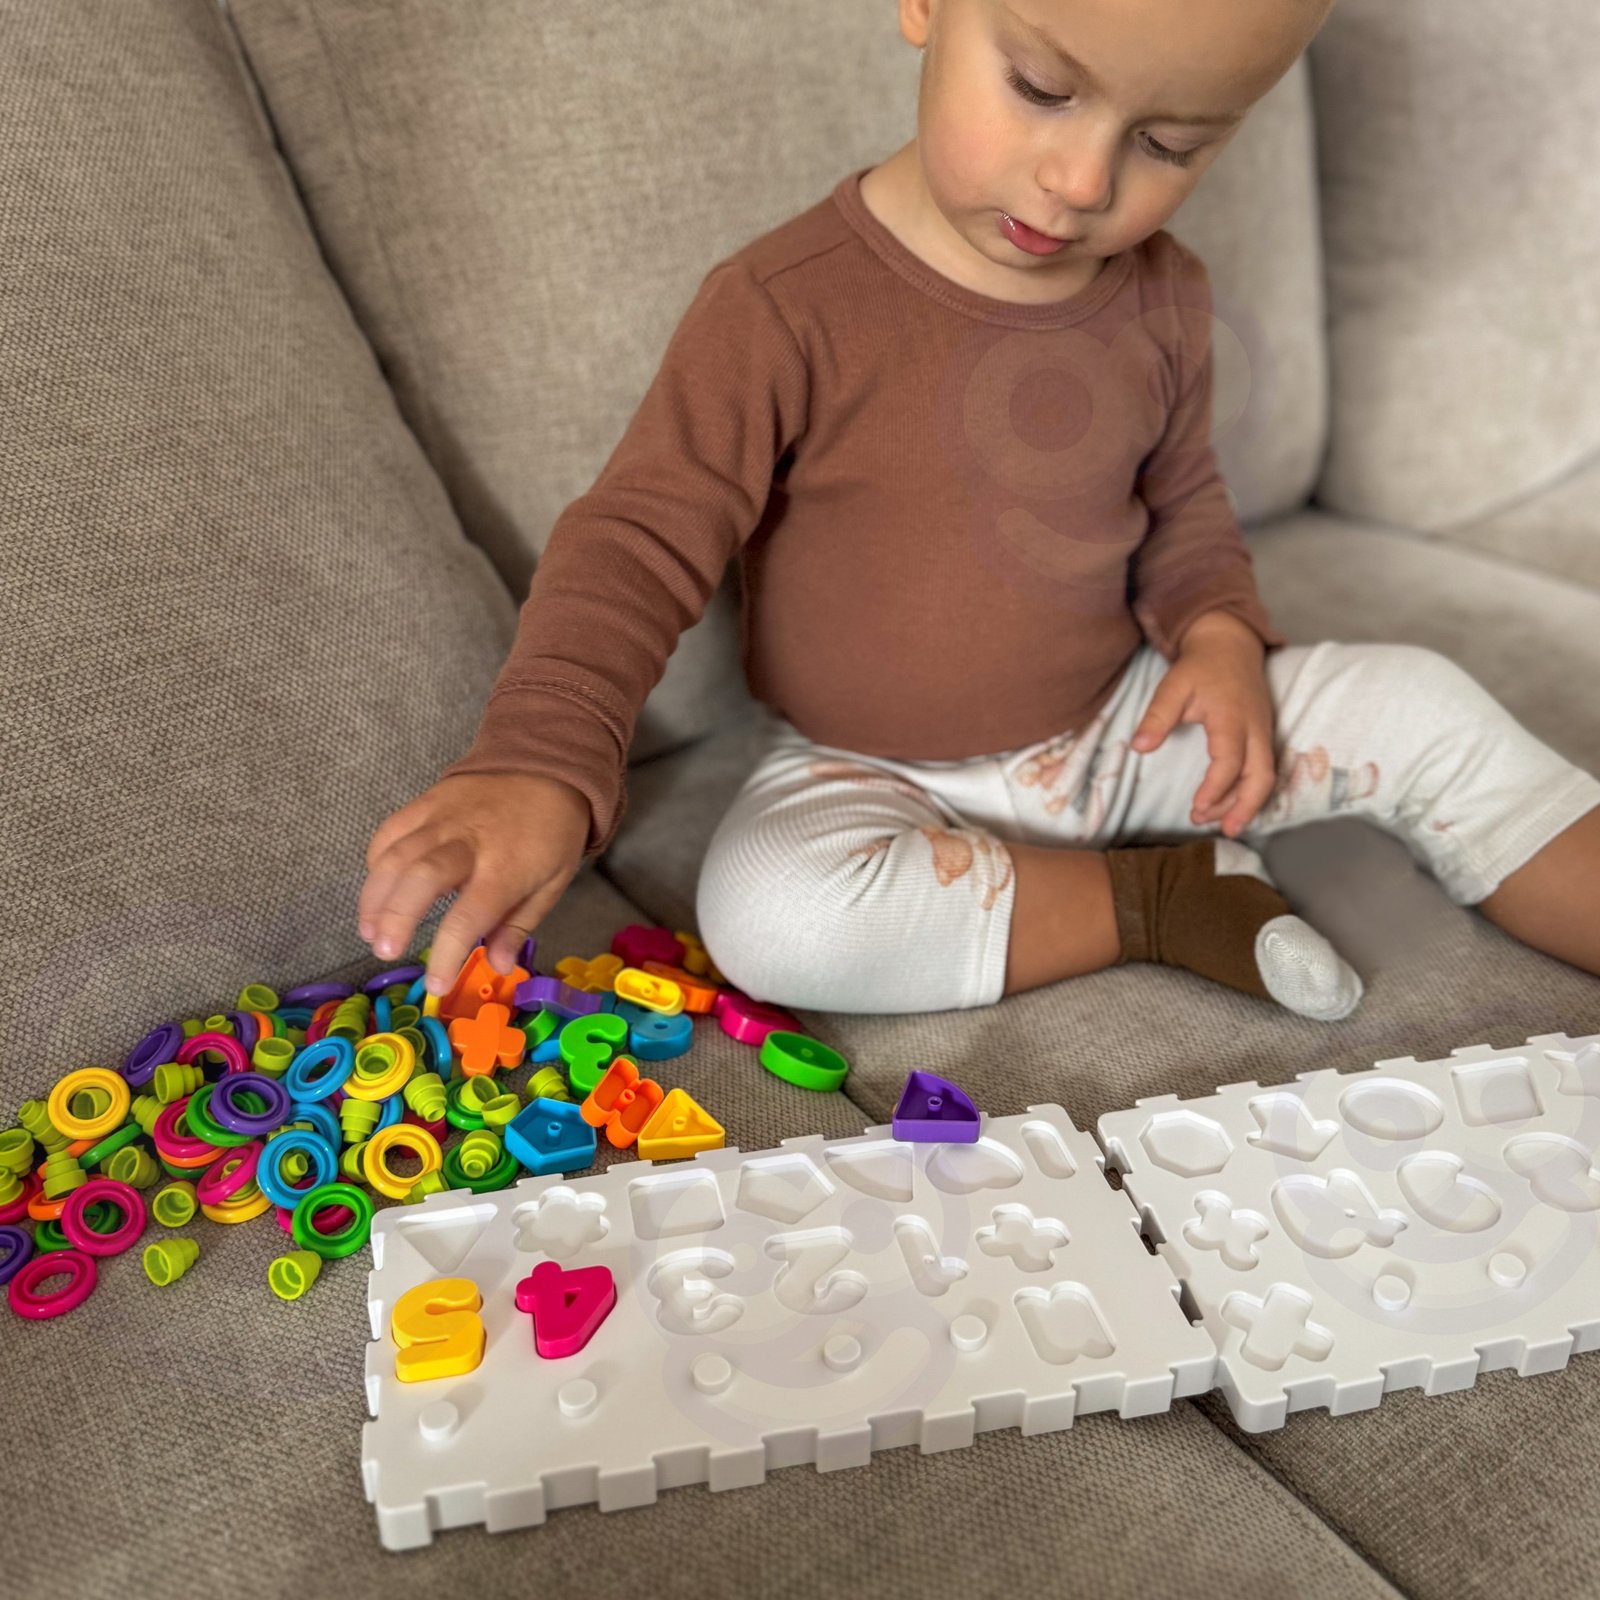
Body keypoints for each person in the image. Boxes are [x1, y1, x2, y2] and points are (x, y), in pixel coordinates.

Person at [357, 0, 1600, 1020]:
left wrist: (1218, 630)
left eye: (1169, 144)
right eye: (1042, 90)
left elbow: (1182, 503)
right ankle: (1160, 902)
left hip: (1128, 728)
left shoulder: (1163, 295)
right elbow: (640, 537)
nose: (1079, 182)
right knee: (773, 919)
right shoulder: (781, 307)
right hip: (869, 770)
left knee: (1427, 705)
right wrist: (541, 756)